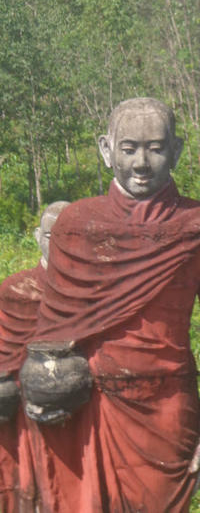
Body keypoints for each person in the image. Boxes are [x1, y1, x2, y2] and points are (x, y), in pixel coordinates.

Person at [28, 97, 200, 512]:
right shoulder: (77, 226)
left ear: (176, 149)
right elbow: (51, 333)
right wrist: (42, 397)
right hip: (89, 405)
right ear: (106, 150)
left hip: (167, 410)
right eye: (129, 149)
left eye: (156, 148)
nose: (142, 163)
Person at [0, 201, 67, 513]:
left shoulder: (95, 296)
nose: (63, 243)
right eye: (54, 235)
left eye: (72, 234)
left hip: (75, 421)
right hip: (20, 424)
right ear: (38, 236)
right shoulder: (13, 291)